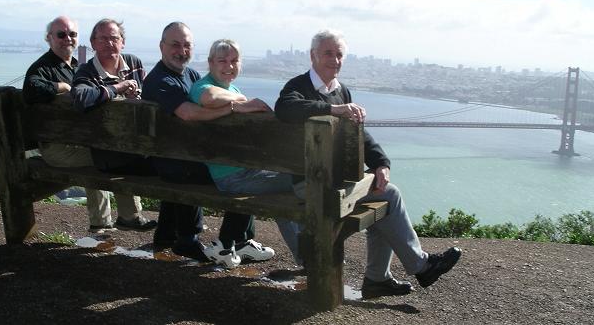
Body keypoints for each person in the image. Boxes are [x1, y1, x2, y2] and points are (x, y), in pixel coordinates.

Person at [274, 29, 462, 298]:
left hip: (334, 181)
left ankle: (379, 279)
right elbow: (285, 109)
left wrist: (380, 163)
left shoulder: (342, 91)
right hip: (312, 185)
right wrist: (332, 110)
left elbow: (360, 134)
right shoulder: (298, 87)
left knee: (381, 194)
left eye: (339, 55)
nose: (334, 60)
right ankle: (418, 267)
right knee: (389, 194)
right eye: (328, 53)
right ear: (313, 55)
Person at [141, 22, 262, 264]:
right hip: (172, 160)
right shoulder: (160, 81)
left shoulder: (190, 75)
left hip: (180, 152)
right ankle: (224, 241)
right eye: (175, 44)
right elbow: (189, 113)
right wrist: (234, 107)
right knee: (240, 171)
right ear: (161, 46)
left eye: (187, 45)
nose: (181, 50)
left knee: (225, 163)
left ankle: (168, 235)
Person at [187, 38, 277, 267]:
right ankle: (225, 244)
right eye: (222, 61)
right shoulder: (202, 86)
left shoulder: (232, 88)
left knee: (274, 176)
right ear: (210, 63)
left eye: (234, 60)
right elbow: (209, 98)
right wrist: (241, 101)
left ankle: (238, 242)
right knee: (294, 181)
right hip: (229, 175)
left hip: (239, 168)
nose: (229, 65)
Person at [22, 15, 115, 233]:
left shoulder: (78, 67)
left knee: (108, 153)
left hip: (76, 142)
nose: (67, 39)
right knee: (107, 158)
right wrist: (62, 87)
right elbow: (31, 89)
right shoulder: (42, 68)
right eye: (61, 34)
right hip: (57, 148)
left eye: (72, 34)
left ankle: (108, 223)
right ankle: (105, 224)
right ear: (49, 38)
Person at [70, 18, 157, 231]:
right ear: (93, 43)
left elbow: (147, 98)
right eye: (104, 39)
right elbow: (81, 98)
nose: (110, 43)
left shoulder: (134, 63)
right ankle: (127, 218)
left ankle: (129, 217)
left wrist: (136, 97)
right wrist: (117, 88)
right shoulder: (86, 71)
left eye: (114, 38)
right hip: (104, 146)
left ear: (123, 42)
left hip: (128, 143)